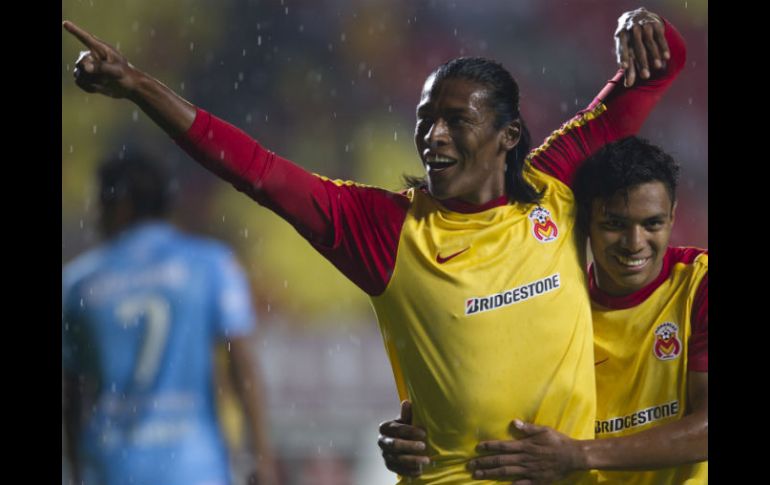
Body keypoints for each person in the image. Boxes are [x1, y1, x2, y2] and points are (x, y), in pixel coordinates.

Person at [62, 7, 685, 483]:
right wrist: (139, 87)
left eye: (456, 121)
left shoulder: (557, 187)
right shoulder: (386, 230)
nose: (433, 137)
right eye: (424, 120)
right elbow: (254, 170)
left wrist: (641, 21)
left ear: (508, 135)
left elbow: (661, 64)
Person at [378, 136, 707, 484]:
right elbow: (488, 403)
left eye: (652, 224)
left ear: (672, 216)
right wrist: (415, 439)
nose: (634, 243)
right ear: (585, 220)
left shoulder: (698, 284)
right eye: (615, 225)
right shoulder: (549, 303)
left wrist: (579, 455)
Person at [62, 153, 278, 485]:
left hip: (112, 468)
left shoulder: (77, 283)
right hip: (194, 466)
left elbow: (70, 394)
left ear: (120, 206)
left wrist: (77, 472)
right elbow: (242, 362)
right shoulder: (210, 264)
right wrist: (262, 456)